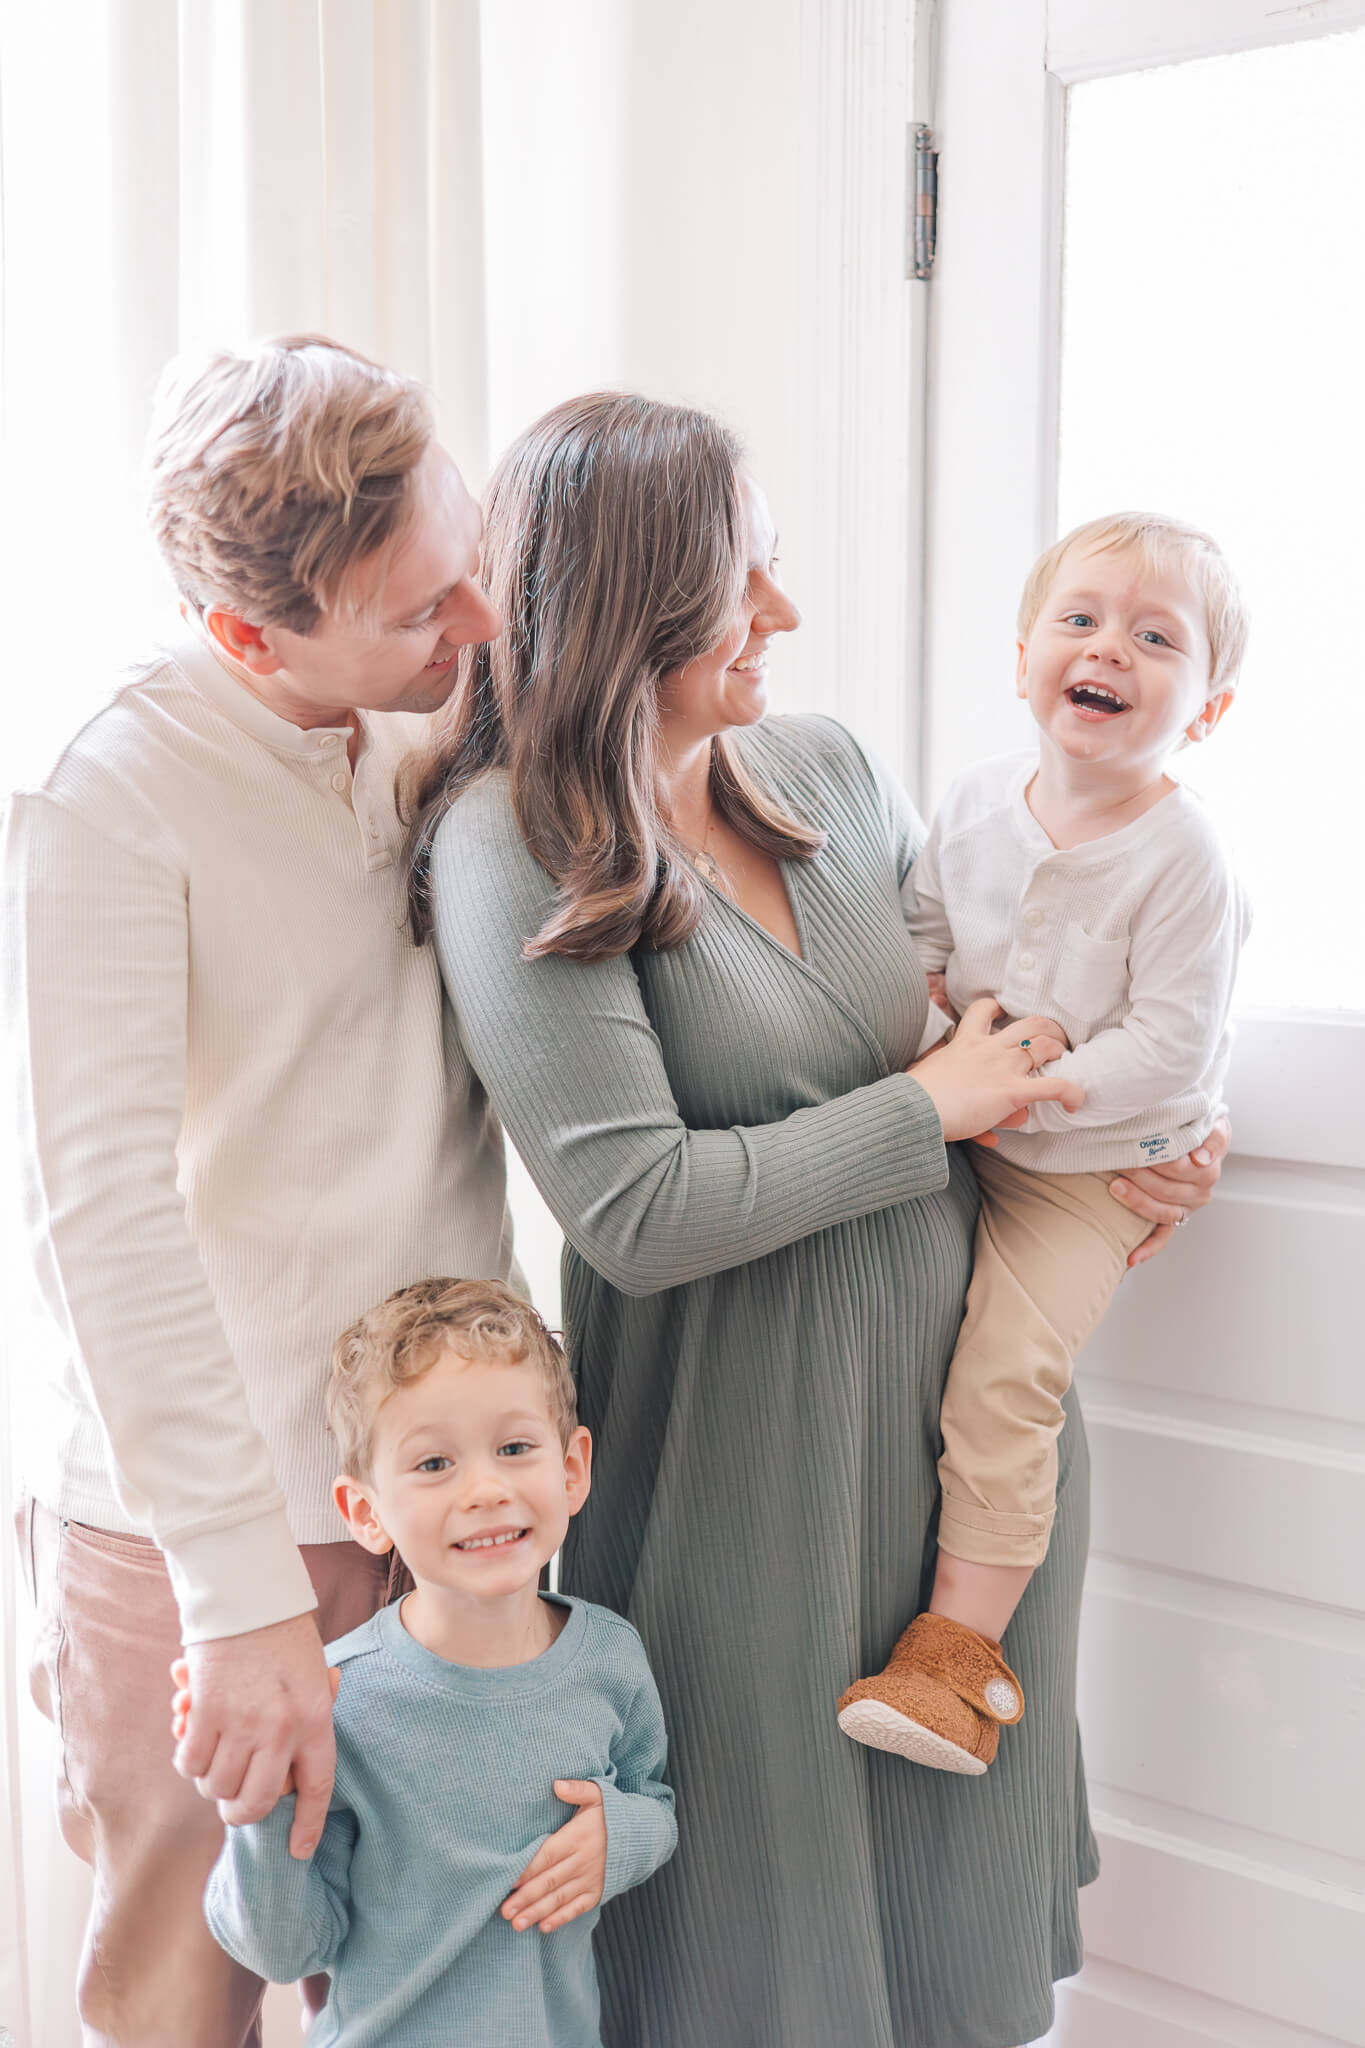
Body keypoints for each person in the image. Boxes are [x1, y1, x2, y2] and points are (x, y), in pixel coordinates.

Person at [401, 392, 1229, 2048]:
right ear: (634, 602)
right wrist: (933, 1109)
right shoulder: (514, 842)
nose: (780, 610)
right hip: (741, 1465)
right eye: (744, 580)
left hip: (962, 1456)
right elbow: (636, 1208)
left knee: (949, 1926)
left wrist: (1155, 1132)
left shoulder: (826, 769)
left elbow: (996, 1022)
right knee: (755, 1948)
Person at [4, 335, 514, 2047]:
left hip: (433, 1489)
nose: (482, 625)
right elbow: (101, 1225)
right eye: (422, 609)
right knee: (183, 2007)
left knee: (437, 2001)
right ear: (249, 635)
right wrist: (240, 1596)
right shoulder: (107, 797)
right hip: (205, 1532)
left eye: (468, 563)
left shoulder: (427, 714)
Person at [837, 512, 1249, 1774]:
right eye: (1081, 619)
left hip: (1090, 1174)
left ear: (1208, 710)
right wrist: (943, 1038)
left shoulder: (1183, 857)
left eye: (1155, 637)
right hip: (977, 1120)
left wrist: (1042, 1081)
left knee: (1007, 1376)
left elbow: (1173, 1040)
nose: (1109, 647)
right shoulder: (973, 804)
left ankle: (956, 1660)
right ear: (1024, 660)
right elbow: (919, 939)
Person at [179, 1278, 676, 2048]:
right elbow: (285, 1952)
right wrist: (262, 1798)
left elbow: (654, 1799)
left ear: (572, 1469)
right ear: (366, 1512)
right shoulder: (337, 1698)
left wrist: (626, 1834)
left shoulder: (611, 1658)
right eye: (435, 1463)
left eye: (514, 1449)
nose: (485, 1489)